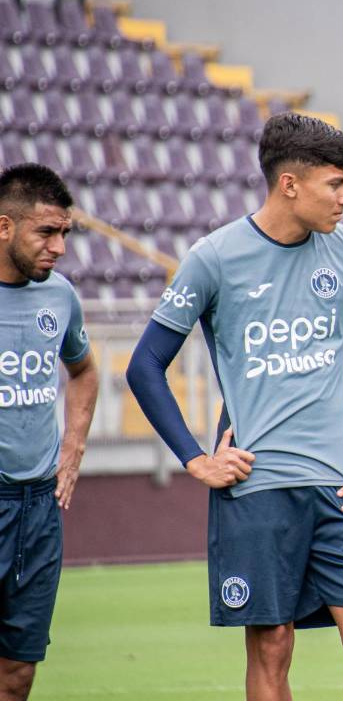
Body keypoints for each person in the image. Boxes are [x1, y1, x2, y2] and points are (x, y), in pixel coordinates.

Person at [126, 113, 343, 701]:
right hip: (257, 489)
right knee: (272, 646)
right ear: (289, 184)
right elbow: (145, 366)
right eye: (335, 184)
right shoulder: (214, 257)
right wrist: (195, 459)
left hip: (342, 486)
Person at [0, 164, 98, 701]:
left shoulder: (59, 296)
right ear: (5, 227)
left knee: (19, 671)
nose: (59, 247)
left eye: (64, 233)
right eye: (46, 232)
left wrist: (74, 442)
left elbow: (83, 370)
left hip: (38, 507)